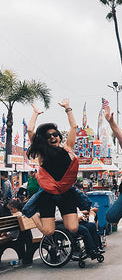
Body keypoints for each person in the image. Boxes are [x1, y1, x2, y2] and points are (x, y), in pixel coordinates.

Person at [25, 100, 87, 236]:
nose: (52, 137)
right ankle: (35, 215)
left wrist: (68, 109)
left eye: (55, 134)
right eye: (48, 136)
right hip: (47, 193)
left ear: (59, 136)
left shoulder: (67, 148)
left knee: (73, 228)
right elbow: (30, 130)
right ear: (44, 139)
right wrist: (35, 113)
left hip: (65, 191)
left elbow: (73, 127)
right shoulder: (42, 153)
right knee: (48, 231)